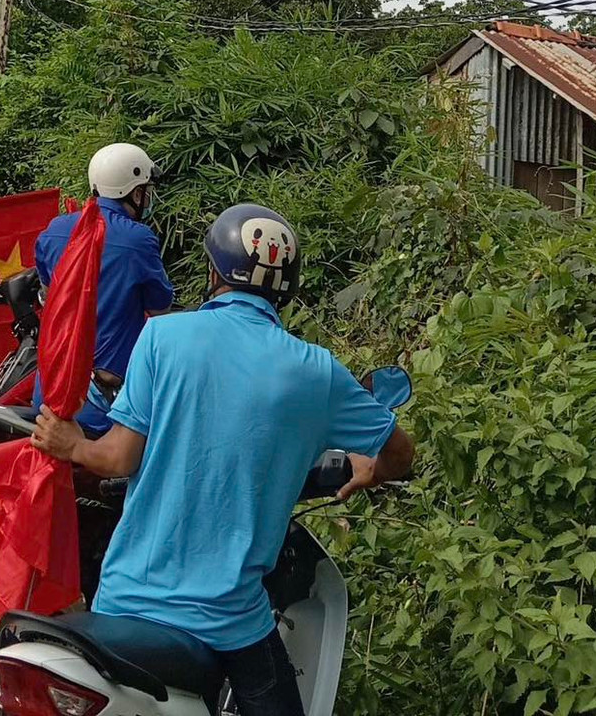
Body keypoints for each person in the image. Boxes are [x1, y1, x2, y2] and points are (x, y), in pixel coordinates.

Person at [31, 203, 416, 716]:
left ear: (213, 271)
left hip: (124, 601)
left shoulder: (162, 338)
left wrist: (72, 444)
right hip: (227, 619)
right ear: (287, 288)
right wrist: (374, 468)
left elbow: (118, 459)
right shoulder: (314, 371)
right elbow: (400, 451)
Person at [31, 143, 174, 432]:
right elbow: (161, 310)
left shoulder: (56, 229)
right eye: (146, 191)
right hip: (103, 406)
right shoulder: (139, 240)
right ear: (135, 192)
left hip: (46, 392)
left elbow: (47, 293)